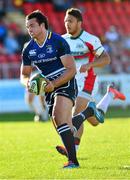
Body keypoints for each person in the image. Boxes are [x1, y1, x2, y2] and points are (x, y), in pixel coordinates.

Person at [56, 8, 125, 156]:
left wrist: (90, 65)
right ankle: (110, 96)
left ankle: (71, 151)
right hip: (71, 84)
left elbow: (106, 59)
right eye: (65, 21)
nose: (67, 24)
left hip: (88, 81)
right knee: (94, 121)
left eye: (70, 21)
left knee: (76, 113)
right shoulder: (62, 41)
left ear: (79, 23)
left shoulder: (90, 39)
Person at [20, 10, 80, 168]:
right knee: (61, 123)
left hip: (65, 82)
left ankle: (73, 161)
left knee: (57, 115)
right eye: (27, 27)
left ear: (42, 25)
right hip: (48, 88)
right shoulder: (28, 49)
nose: (29, 29)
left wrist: (54, 83)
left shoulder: (57, 41)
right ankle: (87, 113)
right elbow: (24, 74)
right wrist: (28, 83)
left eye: (32, 26)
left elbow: (71, 70)